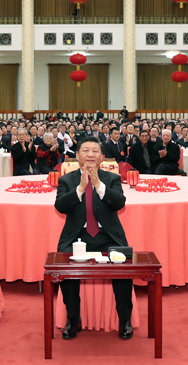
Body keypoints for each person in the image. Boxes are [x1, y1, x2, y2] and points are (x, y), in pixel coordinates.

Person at [54, 136, 133, 340]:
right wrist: (80, 188)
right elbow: (60, 206)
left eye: (95, 151)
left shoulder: (112, 178)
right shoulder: (66, 180)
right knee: (66, 266)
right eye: (86, 151)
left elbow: (119, 203)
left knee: (123, 267)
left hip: (108, 237)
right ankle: (73, 319)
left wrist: (98, 184)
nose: (90, 154)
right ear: (77, 156)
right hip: (77, 237)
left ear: (101, 157)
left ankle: (125, 320)